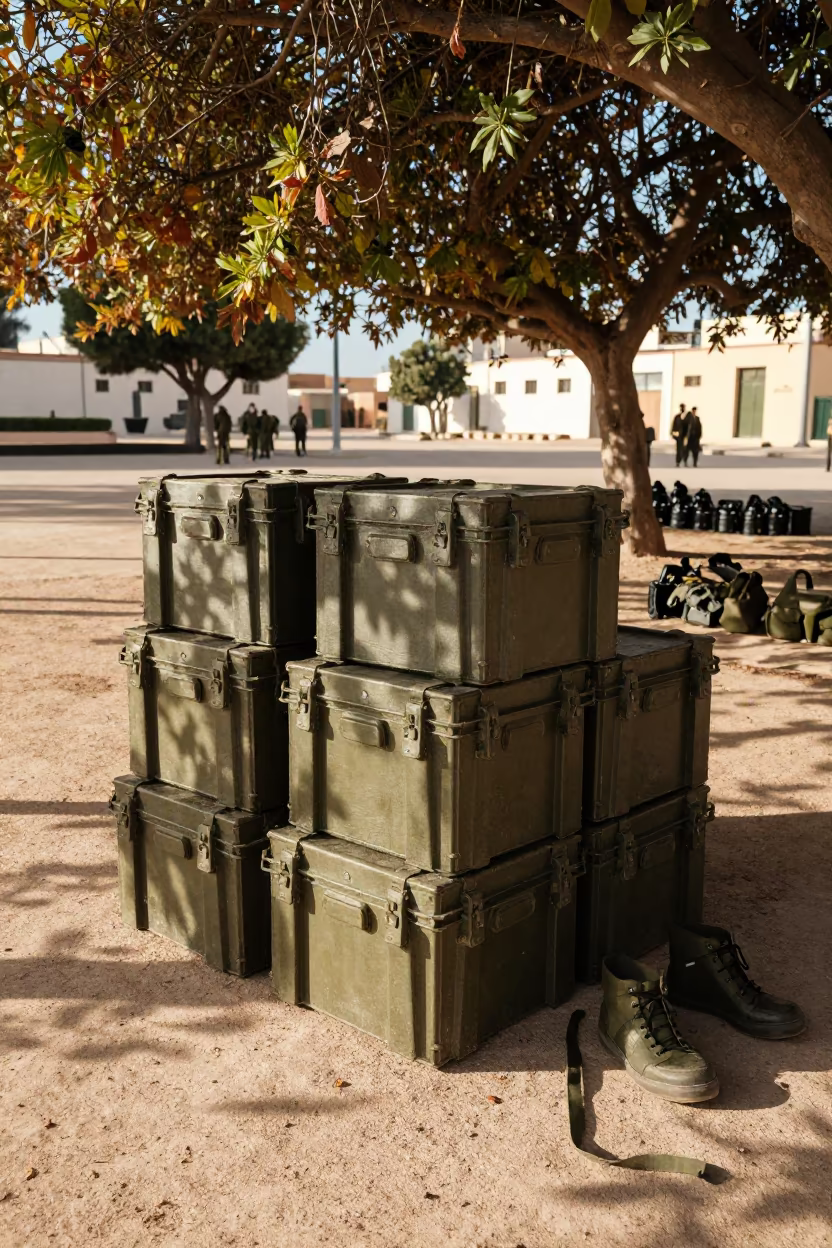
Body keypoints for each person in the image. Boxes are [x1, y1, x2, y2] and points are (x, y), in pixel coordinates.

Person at [671, 403, 691, 467]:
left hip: (685, 435)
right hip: (679, 436)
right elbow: (674, 426)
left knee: (685, 449)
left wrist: (688, 435)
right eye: (681, 407)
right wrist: (673, 433)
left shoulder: (687, 417)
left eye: (683, 407)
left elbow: (689, 426)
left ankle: (685, 461)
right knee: (679, 449)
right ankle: (678, 461)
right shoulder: (677, 417)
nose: (682, 408)